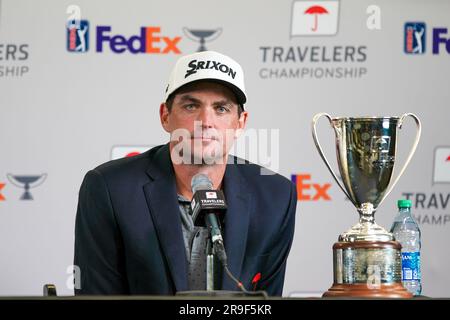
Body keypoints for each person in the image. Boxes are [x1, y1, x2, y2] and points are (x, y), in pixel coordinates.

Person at [74, 51, 297, 296]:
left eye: (221, 108)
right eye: (191, 106)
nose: (205, 121)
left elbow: (266, 303)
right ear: (165, 116)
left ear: (240, 123)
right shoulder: (110, 189)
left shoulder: (276, 196)